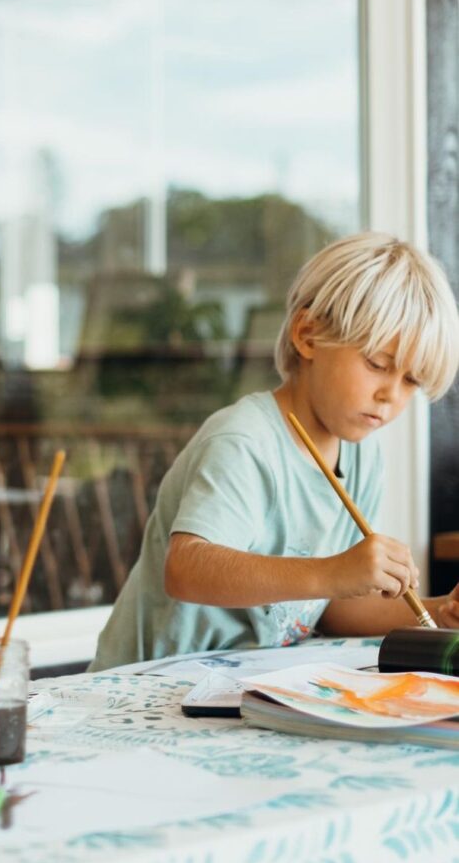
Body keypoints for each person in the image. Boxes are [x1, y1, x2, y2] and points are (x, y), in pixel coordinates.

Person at [90, 232, 459, 670]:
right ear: (307, 336)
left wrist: (441, 611)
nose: (391, 395)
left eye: (411, 381)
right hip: (151, 690)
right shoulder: (245, 440)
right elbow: (186, 570)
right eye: (378, 364)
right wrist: (333, 571)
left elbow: (329, 606)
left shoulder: (364, 458)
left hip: (243, 694)